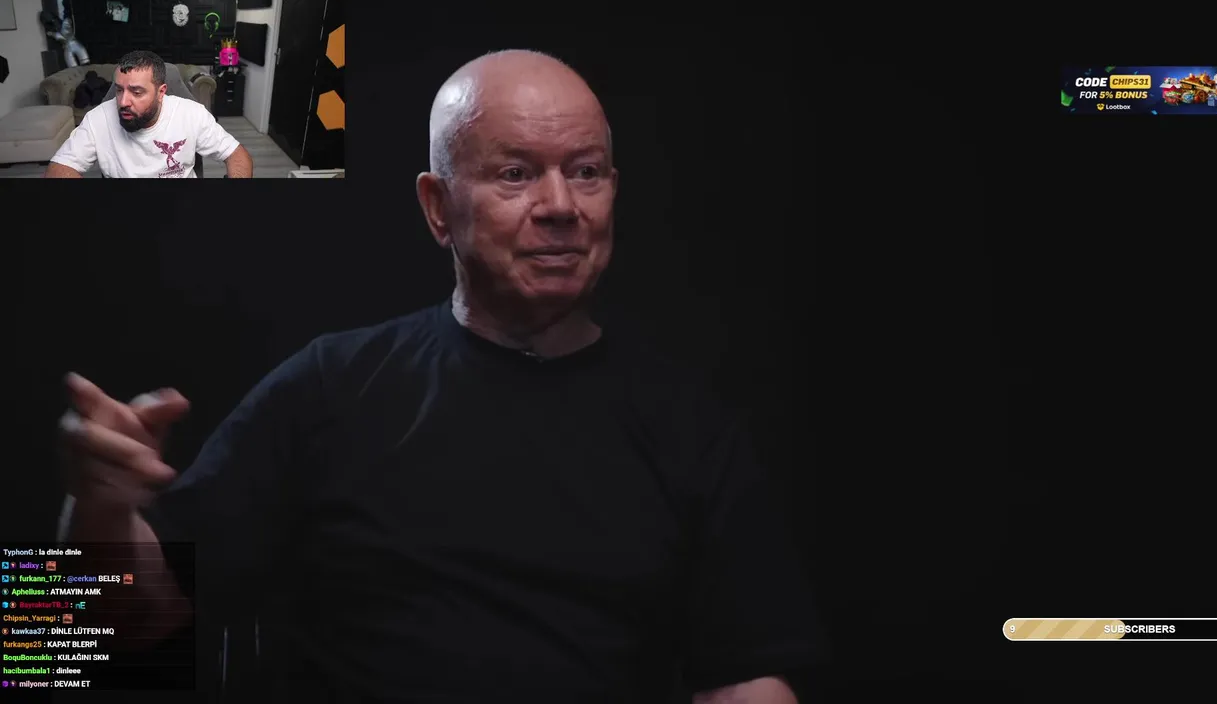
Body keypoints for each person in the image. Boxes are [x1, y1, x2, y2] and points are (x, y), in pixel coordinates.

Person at [57, 50, 825, 702]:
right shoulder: (332, 386)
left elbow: (751, 677)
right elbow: (72, 640)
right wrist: (95, 508)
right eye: (516, 174)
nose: (561, 205)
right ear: (437, 207)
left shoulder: (688, 425)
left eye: (586, 172)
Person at [45, 50, 252, 178]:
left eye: (136, 92)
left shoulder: (192, 114)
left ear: (161, 93)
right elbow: (58, 168)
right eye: (119, 90)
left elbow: (237, 155)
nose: (123, 102)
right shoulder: (97, 119)